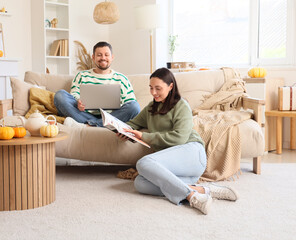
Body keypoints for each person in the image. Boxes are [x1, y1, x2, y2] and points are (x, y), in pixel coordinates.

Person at [119, 68, 238, 215]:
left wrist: (144, 137)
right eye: (151, 88)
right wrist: (123, 130)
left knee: (143, 163)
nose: (153, 92)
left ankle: (192, 197)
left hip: (192, 154)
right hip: (175, 169)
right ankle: (203, 190)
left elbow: (179, 138)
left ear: (170, 87)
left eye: (158, 88)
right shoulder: (151, 108)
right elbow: (134, 123)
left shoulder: (181, 105)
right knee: (141, 183)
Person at [54, 41, 140, 127]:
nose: (103, 58)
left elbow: (130, 102)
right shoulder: (82, 75)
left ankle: (94, 123)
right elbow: (74, 94)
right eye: (99, 55)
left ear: (112, 57)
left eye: (106, 55)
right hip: (84, 114)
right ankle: (99, 123)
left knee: (134, 107)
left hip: (112, 117)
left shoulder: (122, 79)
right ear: (93, 57)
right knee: (60, 96)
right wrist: (78, 102)